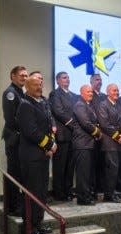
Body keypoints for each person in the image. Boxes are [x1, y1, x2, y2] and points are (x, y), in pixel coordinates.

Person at [17, 76, 57, 234]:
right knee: (32, 192)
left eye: (40, 84)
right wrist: (49, 145)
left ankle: (37, 224)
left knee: (41, 192)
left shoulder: (43, 102)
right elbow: (31, 131)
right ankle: (28, 228)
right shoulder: (25, 104)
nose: (39, 86)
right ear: (27, 86)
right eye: (35, 84)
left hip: (42, 155)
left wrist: (51, 144)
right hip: (31, 156)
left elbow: (49, 127)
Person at [2, 66, 28, 216]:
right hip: (14, 139)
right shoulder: (10, 93)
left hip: (20, 139)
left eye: (25, 76)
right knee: (14, 174)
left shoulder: (20, 92)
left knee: (19, 173)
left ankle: (18, 204)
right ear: (12, 76)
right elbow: (11, 119)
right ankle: (13, 207)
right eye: (21, 76)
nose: (24, 78)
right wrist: (27, 127)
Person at [49, 72, 78, 201]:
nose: (67, 79)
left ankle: (68, 190)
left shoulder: (73, 95)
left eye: (68, 77)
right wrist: (75, 126)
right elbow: (58, 112)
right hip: (62, 134)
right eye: (64, 77)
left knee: (70, 166)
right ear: (57, 81)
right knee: (60, 166)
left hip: (73, 135)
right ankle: (59, 193)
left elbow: (77, 112)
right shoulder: (55, 94)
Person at [73, 85, 102, 205]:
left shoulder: (88, 105)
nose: (91, 93)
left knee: (88, 172)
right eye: (88, 91)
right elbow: (85, 123)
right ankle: (83, 198)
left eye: (91, 91)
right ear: (81, 93)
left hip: (89, 143)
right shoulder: (80, 105)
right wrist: (98, 132)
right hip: (82, 143)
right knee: (83, 173)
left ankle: (87, 195)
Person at [98, 84, 121, 203]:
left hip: (119, 142)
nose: (117, 92)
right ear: (108, 92)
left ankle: (112, 192)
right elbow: (104, 124)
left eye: (118, 90)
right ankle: (108, 195)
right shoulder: (103, 105)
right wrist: (117, 136)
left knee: (116, 169)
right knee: (111, 170)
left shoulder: (118, 105)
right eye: (114, 90)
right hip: (109, 142)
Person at [90, 74, 107, 197]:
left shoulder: (104, 96)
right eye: (97, 80)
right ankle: (93, 189)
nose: (99, 82)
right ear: (91, 81)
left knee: (103, 162)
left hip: (106, 135)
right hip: (94, 134)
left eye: (100, 80)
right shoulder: (89, 96)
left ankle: (102, 186)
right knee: (93, 163)